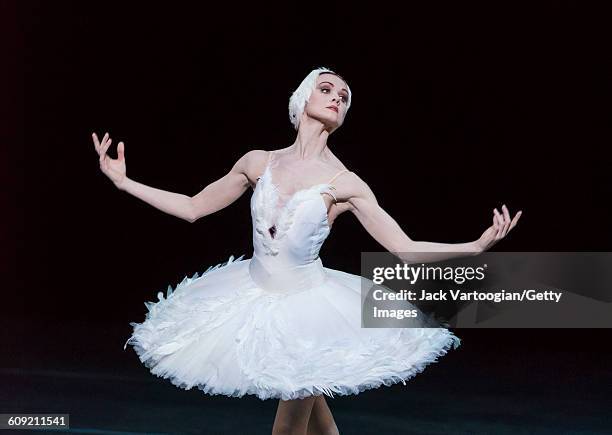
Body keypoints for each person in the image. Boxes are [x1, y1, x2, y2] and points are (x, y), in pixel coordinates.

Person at [93, 66, 521, 435]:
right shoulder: (258, 162)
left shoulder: (345, 183)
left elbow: (404, 248)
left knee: (287, 427)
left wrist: (476, 244)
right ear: (303, 98)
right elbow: (192, 208)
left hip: (308, 311)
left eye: (345, 97)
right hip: (252, 295)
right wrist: (124, 183)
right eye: (327, 89)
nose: (337, 98)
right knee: (316, 419)